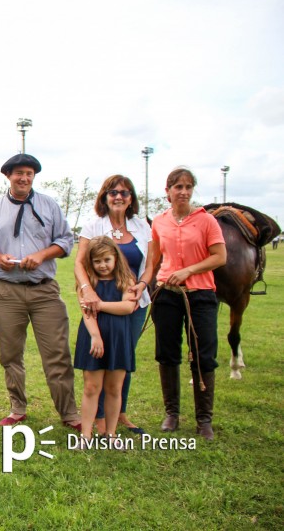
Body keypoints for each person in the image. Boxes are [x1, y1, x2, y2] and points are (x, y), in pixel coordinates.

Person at [0, 153, 81, 430]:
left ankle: (69, 412)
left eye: (29, 173)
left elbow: (65, 240)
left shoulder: (49, 206)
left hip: (44, 290)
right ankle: (17, 407)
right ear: (8, 175)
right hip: (6, 292)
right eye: (19, 173)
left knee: (57, 353)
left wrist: (43, 255)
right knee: (10, 354)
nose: (24, 178)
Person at [149, 167, 226, 441]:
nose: (183, 191)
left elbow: (219, 257)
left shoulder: (207, 221)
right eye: (177, 187)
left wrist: (189, 271)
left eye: (187, 186)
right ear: (167, 192)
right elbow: (154, 257)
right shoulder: (159, 222)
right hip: (167, 294)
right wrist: (144, 284)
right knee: (167, 353)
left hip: (201, 294)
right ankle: (172, 413)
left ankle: (204, 420)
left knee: (203, 355)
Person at [74, 175, 153, 435]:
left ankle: (118, 417)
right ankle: (96, 420)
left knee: (120, 362)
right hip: (95, 294)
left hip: (131, 299)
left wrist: (141, 285)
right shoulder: (94, 225)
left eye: (125, 192)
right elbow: (80, 262)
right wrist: (87, 291)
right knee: (95, 366)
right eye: (113, 192)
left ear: (132, 198)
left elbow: (151, 263)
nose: (119, 196)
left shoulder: (141, 226)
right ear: (104, 197)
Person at [73, 237, 137, 447]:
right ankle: (86, 434)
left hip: (119, 338)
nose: (102, 265)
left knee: (114, 388)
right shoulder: (88, 284)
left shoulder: (126, 279)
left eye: (107, 260)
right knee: (91, 387)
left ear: (116, 259)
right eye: (97, 261)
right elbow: (86, 311)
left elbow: (127, 307)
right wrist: (95, 336)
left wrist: (98, 305)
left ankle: (110, 433)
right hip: (94, 337)